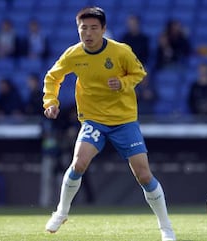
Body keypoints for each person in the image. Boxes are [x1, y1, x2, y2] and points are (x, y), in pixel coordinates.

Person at [43, 7, 176, 241]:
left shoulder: (120, 51)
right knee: (78, 163)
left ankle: (166, 227)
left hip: (124, 122)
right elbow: (53, 77)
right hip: (93, 120)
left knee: (144, 175)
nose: (89, 33)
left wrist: (123, 83)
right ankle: (61, 212)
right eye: (84, 28)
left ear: (104, 29)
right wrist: (51, 101)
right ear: (78, 30)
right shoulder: (73, 55)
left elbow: (139, 73)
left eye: (94, 28)